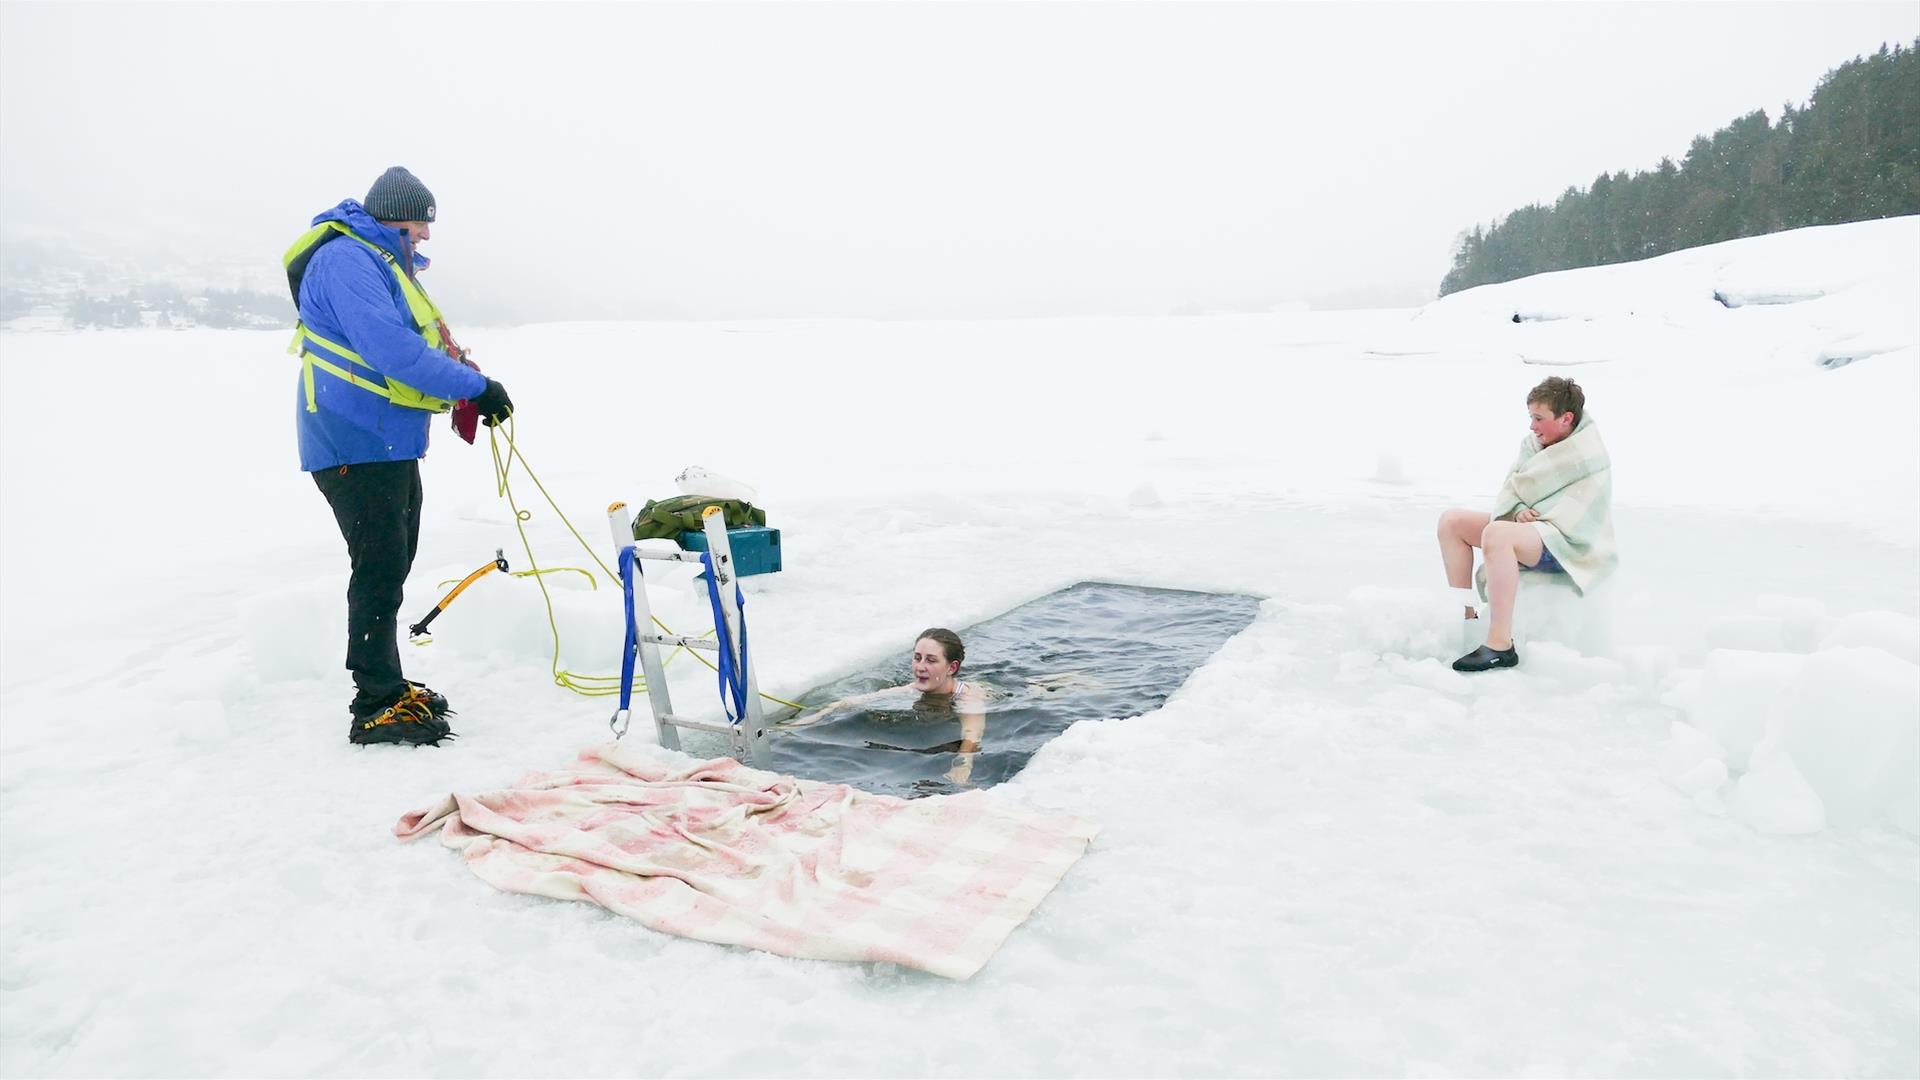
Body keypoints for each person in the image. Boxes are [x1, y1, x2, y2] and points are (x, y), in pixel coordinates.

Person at [285, 166, 515, 746]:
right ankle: (376, 702)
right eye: (421, 223)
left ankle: (388, 682)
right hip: (353, 442)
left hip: (384, 440)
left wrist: (463, 380)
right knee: (379, 566)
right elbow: (392, 349)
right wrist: (476, 388)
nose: (427, 236)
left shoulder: (376, 260)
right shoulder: (347, 261)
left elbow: (410, 346)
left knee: (391, 562)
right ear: (394, 214)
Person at [1434, 376, 1617, 672]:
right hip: (1534, 534)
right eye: (1530, 417)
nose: (1532, 426)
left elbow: (1581, 512)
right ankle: (1466, 618)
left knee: (1498, 534)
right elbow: (1513, 491)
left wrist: (1535, 516)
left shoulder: (1588, 453)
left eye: (1538, 418)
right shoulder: (1533, 446)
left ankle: (1500, 644)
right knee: (1452, 522)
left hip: (1568, 544)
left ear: (1566, 418)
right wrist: (1519, 510)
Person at [785, 628, 989, 783]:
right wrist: (812, 718)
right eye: (917, 658)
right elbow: (852, 702)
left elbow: (972, 735)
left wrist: (962, 766)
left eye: (931, 660)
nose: (920, 667)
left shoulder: (969, 697)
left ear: (951, 667)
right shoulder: (913, 688)